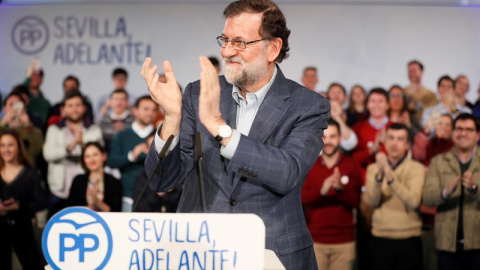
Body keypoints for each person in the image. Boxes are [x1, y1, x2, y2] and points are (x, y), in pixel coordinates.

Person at [141, 0, 330, 268]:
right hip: (199, 252)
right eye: (225, 40)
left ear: (272, 48)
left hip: (272, 253)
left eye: (240, 42)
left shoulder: (307, 105)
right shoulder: (198, 93)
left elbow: (288, 172)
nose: (227, 51)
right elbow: (161, 180)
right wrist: (171, 118)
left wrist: (220, 128)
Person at [302, 119, 362, 270]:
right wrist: (321, 191)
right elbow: (301, 199)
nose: (328, 141)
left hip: (344, 242)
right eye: (324, 137)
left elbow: (356, 202)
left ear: (340, 139)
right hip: (316, 240)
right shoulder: (309, 165)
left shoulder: (351, 165)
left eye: (333, 136)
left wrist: (340, 190)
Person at [364, 123, 425, 270]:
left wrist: (389, 175)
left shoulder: (417, 168)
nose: (394, 143)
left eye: (400, 139)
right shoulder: (373, 169)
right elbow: (372, 201)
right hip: (380, 237)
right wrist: (380, 174)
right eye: (391, 138)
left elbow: (413, 202)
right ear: (384, 141)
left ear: (407, 144)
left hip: (409, 238)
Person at [423, 113, 480, 270]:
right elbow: (427, 198)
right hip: (447, 243)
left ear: (477, 134)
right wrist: (445, 193)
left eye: (469, 129)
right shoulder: (438, 161)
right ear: (453, 133)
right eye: (459, 129)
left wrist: (475, 189)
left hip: (477, 244)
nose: (463, 133)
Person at [43, 90, 103, 217]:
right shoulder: (54, 129)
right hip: (59, 190)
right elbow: (48, 154)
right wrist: (69, 148)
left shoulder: (94, 129)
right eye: (70, 105)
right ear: (63, 109)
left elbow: (100, 157)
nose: (74, 109)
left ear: (84, 108)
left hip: (85, 189)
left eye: (77, 105)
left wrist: (81, 144)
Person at [0, 130, 46, 270]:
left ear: (18, 147)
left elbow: (41, 202)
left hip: (23, 231)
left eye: (10, 145)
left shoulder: (30, 174)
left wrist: (19, 207)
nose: (6, 150)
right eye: (2, 145)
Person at [107, 95, 158, 212]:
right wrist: (132, 155)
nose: (150, 113)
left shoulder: (161, 136)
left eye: (153, 109)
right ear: (135, 111)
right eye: (145, 109)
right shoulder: (122, 135)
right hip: (128, 196)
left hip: (154, 197)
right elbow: (112, 162)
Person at [133, 132, 181, 213]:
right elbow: (139, 209)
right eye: (153, 148)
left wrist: (170, 194)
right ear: (146, 150)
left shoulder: (178, 175)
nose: (158, 152)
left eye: (161, 147)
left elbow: (183, 210)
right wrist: (158, 194)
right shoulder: (142, 177)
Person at [68, 142, 122, 212]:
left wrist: (97, 202)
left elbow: (116, 212)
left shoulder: (114, 183)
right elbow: (71, 209)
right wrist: (90, 207)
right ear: (83, 160)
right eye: (87, 156)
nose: (92, 160)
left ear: (104, 156)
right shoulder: (78, 181)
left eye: (95, 155)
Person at [0, 92, 44, 168]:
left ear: (24, 108)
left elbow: (37, 150)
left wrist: (28, 126)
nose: (14, 108)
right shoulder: (2, 127)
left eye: (18, 105)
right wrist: (3, 123)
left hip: (26, 172)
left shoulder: (33, 130)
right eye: (11, 104)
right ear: (4, 109)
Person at [352, 88, 393, 168]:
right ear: (367, 105)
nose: (376, 105)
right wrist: (372, 150)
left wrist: (387, 143)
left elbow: (404, 154)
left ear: (388, 105)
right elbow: (354, 158)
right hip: (365, 176)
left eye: (380, 101)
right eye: (373, 101)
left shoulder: (397, 127)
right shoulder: (358, 128)